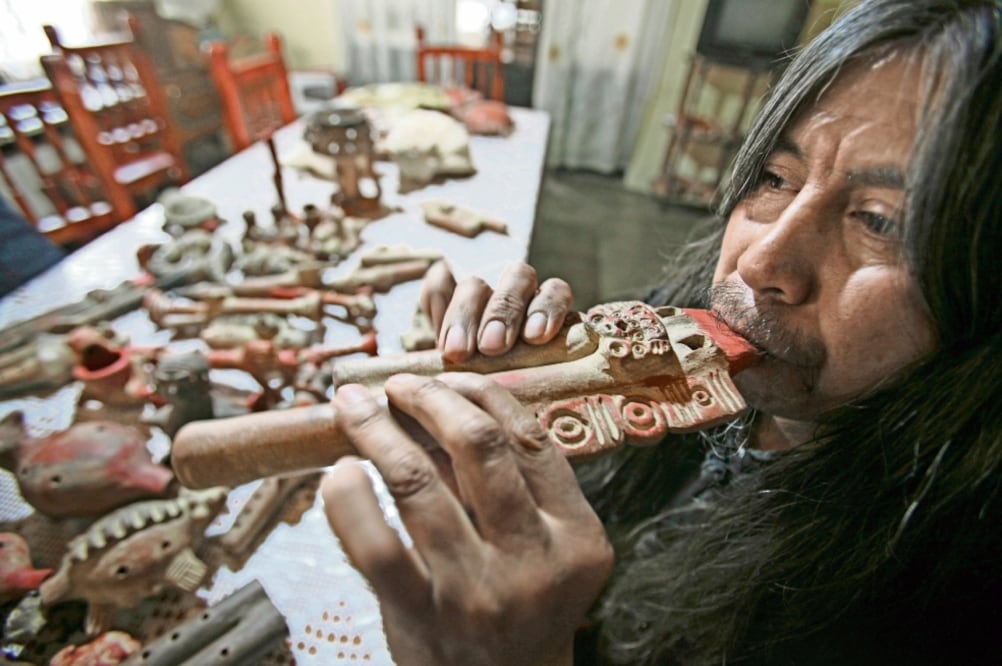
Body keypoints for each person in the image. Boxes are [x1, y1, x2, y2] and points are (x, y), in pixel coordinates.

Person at [320, 0, 1002, 663]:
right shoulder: (685, 336)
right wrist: (525, 406)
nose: (760, 262)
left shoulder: (919, 613)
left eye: (879, 221)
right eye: (775, 177)